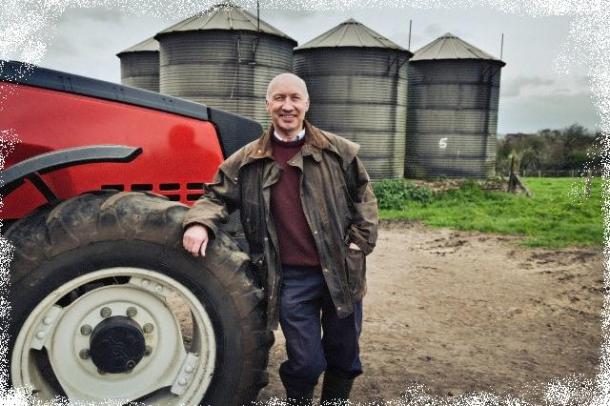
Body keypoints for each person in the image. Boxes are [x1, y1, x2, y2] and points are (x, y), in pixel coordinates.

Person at [182, 72, 378, 405]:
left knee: (344, 356)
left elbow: (365, 198)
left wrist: (359, 242)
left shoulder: (337, 151)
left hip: (341, 270)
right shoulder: (248, 159)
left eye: (294, 98)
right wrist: (199, 223)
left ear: (306, 104)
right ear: (267, 105)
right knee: (305, 363)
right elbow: (215, 196)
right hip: (290, 279)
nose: (287, 106)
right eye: (279, 98)